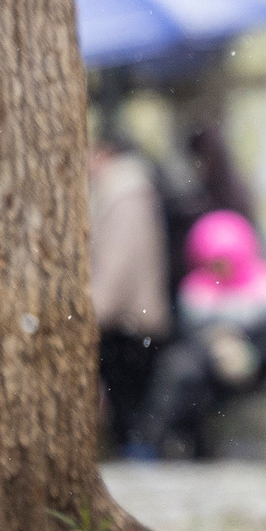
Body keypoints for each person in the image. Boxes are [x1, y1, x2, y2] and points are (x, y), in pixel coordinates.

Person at [128, 210, 266, 460]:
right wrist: (215, 343)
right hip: (204, 368)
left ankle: (159, 442)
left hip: (252, 370)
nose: (221, 270)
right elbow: (188, 336)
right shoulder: (196, 292)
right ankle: (157, 442)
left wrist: (248, 354)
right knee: (181, 374)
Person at [89, 137, 172, 443]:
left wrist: (94, 312)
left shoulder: (123, 194)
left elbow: (118, 265)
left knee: (129, 403)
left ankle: (138, 451)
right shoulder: (129, 191)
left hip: (128, 319)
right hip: (134, 316)